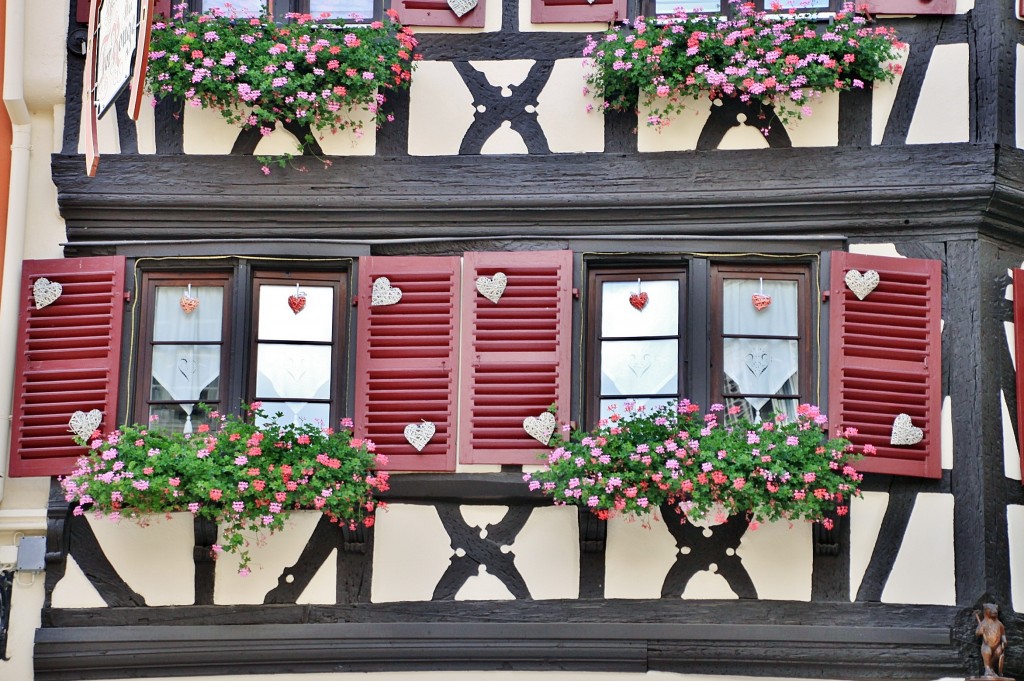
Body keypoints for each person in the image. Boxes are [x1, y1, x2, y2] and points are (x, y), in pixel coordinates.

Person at [975, 603, 1007, 678]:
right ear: (986, 611)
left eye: (995, 610)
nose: (994, 612)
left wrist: (1004, 640)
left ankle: (991, 667)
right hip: (987, 644)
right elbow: (977, 633)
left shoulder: (999, 624)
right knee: (987, 652)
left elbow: (1003, 633)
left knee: (998, 652)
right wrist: (980, 631)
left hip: (997, 645)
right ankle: (987, 669)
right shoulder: (984, 622)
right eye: (991, 610)